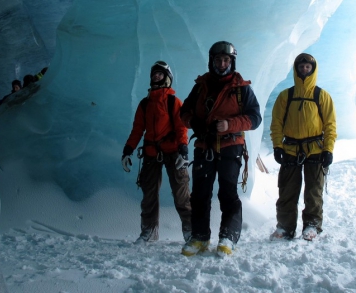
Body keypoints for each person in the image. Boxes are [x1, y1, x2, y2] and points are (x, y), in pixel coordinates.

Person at [179, 41, 262, 257]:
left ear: (232, 62)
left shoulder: (241, 88)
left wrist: (229, 125)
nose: (222, 63)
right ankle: (200, 237)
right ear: (212, 61)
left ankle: (228, 236)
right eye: (219, 60)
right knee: (200, 195)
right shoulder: (201, 86)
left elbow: (255, 118)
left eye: (226, 60)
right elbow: (184, 112)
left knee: (228, 193)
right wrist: (193, 122)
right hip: (205, 146)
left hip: (230, 147)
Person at [121, 61, 192, 244]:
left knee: (181, 193)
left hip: (172, 151)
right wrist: (128, 150)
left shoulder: (173, 102)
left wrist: (183, 149)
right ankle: (149, 231)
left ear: (167, 78)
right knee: (149, 195)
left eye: (160, 74)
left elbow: (181, 128)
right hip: (151, 153)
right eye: (154, 74)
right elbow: (137, 130)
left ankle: (190, 231)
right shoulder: (145, 104)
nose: (156, 77)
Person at [270, 53, 336, 241]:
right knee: (287, 191)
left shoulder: (321, 96)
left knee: (313, 191)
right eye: (302, 67)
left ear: (313, 69)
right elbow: (276, 123)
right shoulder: (286, 96)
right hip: (290, 148)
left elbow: (330, 125)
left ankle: (312, 225)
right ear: (296, 69)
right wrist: (277, 146)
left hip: (315, 149)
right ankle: (285, 227)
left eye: (308, 67)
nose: (305, 70)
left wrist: (328, 149)